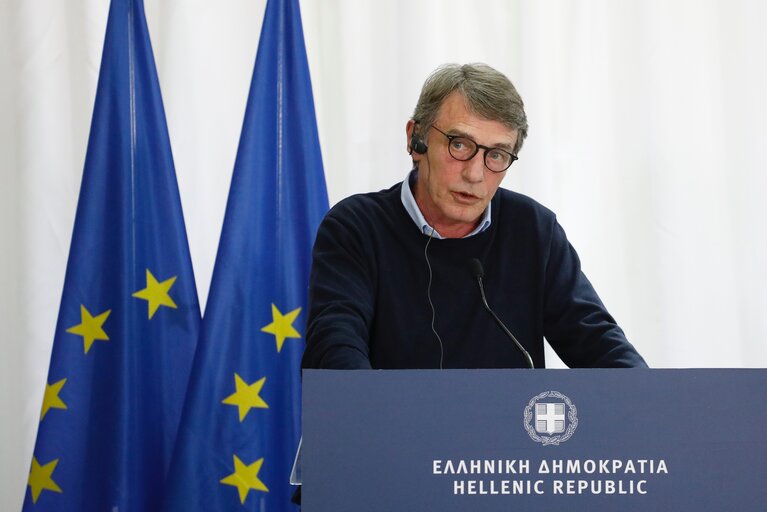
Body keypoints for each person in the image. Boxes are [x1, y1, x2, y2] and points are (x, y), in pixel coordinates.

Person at [302, 63, 647, 370]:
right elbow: (335, 349)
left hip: (511, 440)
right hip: (392, 435)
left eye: (496, 155)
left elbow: (598, 344)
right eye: (460, 145)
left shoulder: (532, 230)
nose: (475, 174)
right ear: (415, 140)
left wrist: (654, 402)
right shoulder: (355, 228)